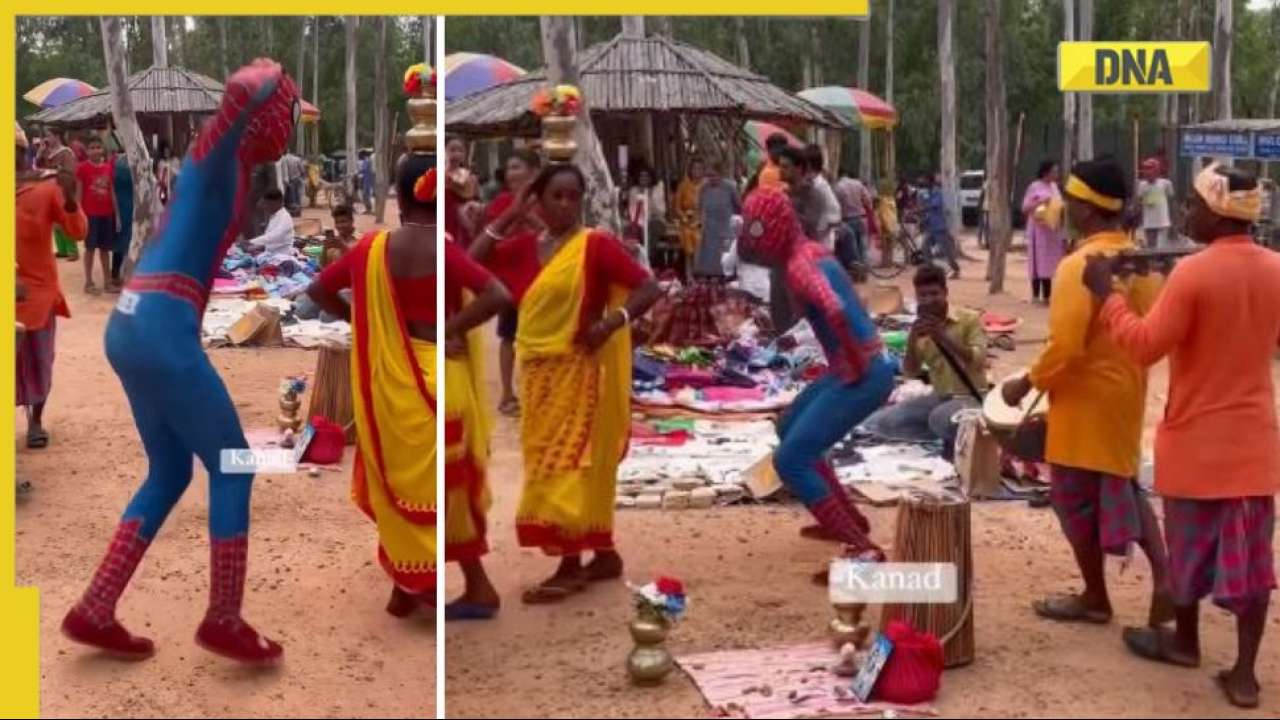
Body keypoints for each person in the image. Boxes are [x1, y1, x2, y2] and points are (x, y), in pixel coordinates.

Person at [61, 59, 298, 664]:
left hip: (134, 324)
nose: (291, 124)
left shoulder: (231, 168)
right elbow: (240, 94)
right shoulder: (216, 153)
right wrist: (261, 83)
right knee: (235, 465)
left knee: (169, 472)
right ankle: (224, 618)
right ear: (270, 117)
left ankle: (95, 608)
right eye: (289, 112)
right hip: (164, 328)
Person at [1081, 163, 1279, 709]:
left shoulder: (1194, 273)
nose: (1186, 213)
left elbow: (1143, 345)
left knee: (1189, 551)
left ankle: (1187, 642)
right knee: (1251, 565)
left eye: (1194, 205)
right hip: (1255, 443)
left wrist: (1107, 296)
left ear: (1217, 215)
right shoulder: (1275, 269)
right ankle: (1243, 673)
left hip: (1194, 439)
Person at [470, 162, 661, 604]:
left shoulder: (595, 246)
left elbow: (649, 287)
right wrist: (510, 213)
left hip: (578, 373)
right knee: (550, 461)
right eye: (554, 196)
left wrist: (614, 321)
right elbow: (470, 261)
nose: (564, 205)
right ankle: (604, 553)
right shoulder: (524, 249)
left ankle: (571, 565)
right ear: (538, 198)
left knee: (567, 466)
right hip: (536, 376)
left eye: (572, 196)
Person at [1002, 156, 1171, 630]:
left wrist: (1025, 383)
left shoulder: (1079, 265)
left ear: (1090, 210)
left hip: (1082, 405)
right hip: (1127, 396)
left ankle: (1096, 596)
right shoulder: (1142, 263)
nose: (1067, 208)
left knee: (1073, 500)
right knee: (1122, 486)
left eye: (1073, 201)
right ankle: (1164, 577)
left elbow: (1065, 346)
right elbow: (1151, 336)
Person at [307, 150, 438, 618]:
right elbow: (495, 294)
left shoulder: (372, 249)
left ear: (399, 196)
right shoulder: (450, 248)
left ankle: (405, 584)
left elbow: (318, 290)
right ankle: (425, 582)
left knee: (394, 475)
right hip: (439, 376)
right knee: (435, 481)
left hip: (388, 377)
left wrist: (364, 323)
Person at [738, 188, 892, 567]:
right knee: (788, 427)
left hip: (860, 370)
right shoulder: (810, 252)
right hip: (860, 365)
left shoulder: (798, 265)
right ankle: (846, 518)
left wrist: (853, 364)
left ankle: (863, 548)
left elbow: (835, 309)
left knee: (791, 459)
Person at [443, 235, 513, 620]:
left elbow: (496, 293)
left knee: (442, 482)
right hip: (435, 372)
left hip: (435, 375)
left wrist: (441, 329)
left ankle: (476, 584)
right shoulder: (437, 246)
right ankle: (411, 586)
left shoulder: (399, 246)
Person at [863, 265, 986, 460]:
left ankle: (961, 435)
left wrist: (942, 336)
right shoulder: (921, 328)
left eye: (934, 294)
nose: (929, 300)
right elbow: (910, 371)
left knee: (939, 418)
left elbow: (977, 359)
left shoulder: (968, 320)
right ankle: (943, 434)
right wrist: (913, 338)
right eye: (923, 295)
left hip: (970, 397)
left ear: (945, 293)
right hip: (941, 396)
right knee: (883, 421)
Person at [16, 122, 86, 452]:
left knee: (39, 360)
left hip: (37, 295)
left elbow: (77, 233)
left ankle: (35, 421)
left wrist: (71, 201)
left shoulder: (46, 188)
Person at [479, 149, 543, 417]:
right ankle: (507, 393)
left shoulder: (544, 201)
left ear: (533, 172)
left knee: (537, 339)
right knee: (508, 337)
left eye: (517, 167)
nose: (511, 173)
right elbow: (490, 236)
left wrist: (523, 210)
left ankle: (538, 392)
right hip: (509, 280)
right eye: (509, 168)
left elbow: (548, 231)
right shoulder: (501, 202)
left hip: (539, 279)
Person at [76, 136, 118, 295]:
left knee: (105, 249)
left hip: (106, 213)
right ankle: (88, 282)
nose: (95, 150)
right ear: (87, 151)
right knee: (90, 249)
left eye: (97, 147)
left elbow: (111, 191)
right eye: (92, 147)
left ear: (102, 150)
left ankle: (107, 282)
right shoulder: (82, 168)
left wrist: (116, 213)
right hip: (90, 215)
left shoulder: (108, 168)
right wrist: (79, 213)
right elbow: (79, 192)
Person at [1021, 160, 1067, 304]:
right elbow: (1025, 208)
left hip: (1052, 232)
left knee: (1049, 263)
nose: (1056, 174)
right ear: (1046, 172)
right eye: (1054, 171)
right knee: (1037, 261)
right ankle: (1036, 295)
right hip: (1038, 231)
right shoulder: (1034, 187)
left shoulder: (1054, 187)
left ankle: (1047, 296)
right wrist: (1041, 202)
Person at [36, 127, 80, 262]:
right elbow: (38, 166)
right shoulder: (47, 152)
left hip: (63, 188)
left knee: (64, 219)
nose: (47, 139)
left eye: (49, 136)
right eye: (46, 136)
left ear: (57, 136)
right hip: (50, 188)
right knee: (54, 220)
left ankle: (73, 251)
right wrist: (40, 152)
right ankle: (62, 250)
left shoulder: (66, 152)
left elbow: (71, 172)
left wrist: (56, 170)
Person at [694, 160, 740, 278]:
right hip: (709, 229)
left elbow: (738, 206)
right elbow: (699, 206)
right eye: (708, 175)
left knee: (726, 263)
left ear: (720, 174)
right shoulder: (703, 188)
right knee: (709, 265)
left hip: (726, 229)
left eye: (713, 175)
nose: (711, 179)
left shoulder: (730, 187)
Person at [445, 136, 481, 247]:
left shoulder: (471, 178)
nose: (456, 154)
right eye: (452, 150)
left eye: (460, 150)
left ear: (465, 155)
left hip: (464, 224)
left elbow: (477, 201)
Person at [626, 166, 666, 264]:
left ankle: (648, 259)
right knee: (631, 229)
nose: (644, 179)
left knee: (652, 227)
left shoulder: (657, 189)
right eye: (641, 176)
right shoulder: (633, 190)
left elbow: (661, 210)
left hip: (655, 220)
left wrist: (649, 198)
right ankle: (633, 261)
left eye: (646, 176)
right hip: (638, 220)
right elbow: (632, 209)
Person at [246, 188, 296, 266]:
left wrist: (251, 242)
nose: (266, 207)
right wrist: (254, 246)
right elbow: (269, 241)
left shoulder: (285, 217)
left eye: (267, 204)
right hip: (270, 254)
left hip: (282, 256)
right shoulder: (274, 216)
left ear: (277, 202)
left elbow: (274, 237)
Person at [923, 173, 960, 278]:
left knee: (946, 250)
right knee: (925, 247)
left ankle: (956, 269)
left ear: (930, 182)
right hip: (930, 226)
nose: (923, 183)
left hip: (939, 226)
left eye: (925, 181)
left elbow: (934, 205)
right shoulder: (927, 192)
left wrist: (923, 207)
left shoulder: (937, 192)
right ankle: (930, 269)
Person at [1135, 158, 1177, 249]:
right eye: (1145, 169)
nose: (1146, 172)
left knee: (1162, 248)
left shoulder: (1166, 184)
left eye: (1149, 169)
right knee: (1150, 249)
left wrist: (1174, 222)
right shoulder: (1142, 185)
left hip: (1163, 222)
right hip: (1148, 222)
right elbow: (1138, 203)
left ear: (1156, 171)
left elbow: (1172, 203)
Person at [835, 171, 873, 267]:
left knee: (850, 248)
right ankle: (864, 269)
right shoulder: (858, 184)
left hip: (846, 220)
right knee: (863, 247)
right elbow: (868, 200)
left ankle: (855, 271)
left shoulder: (838, 187)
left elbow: (836, 206)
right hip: (861, 218)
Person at [673, 158, 704, 277]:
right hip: (686, 222)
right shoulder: (683, 186)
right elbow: (677, 207)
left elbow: (708, 206)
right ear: (690, 170)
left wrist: (700, 219)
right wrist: (683, 217)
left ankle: (699, 275)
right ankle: (689, 276)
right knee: (687, 234)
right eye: (694, 169)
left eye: (699, 169)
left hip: (701, 222)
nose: (697, 171)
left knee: (699, 236)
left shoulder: (705, 186)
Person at [111, 150, 134, 287]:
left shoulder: (138, 160)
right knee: (121, 239)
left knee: (126, 238)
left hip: (131, 203)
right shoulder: (116, 161)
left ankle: (122, 273)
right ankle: (116, 274)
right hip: (121, 204)